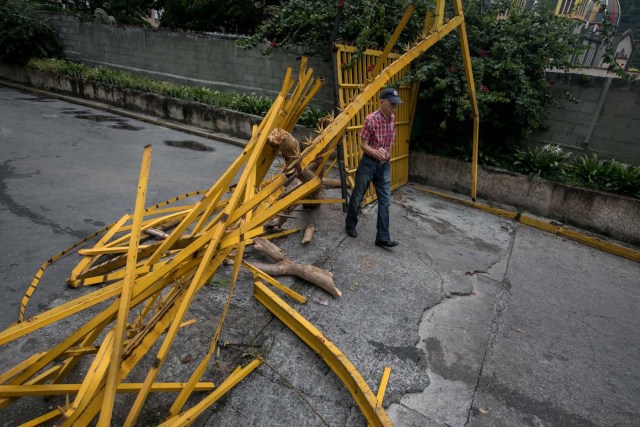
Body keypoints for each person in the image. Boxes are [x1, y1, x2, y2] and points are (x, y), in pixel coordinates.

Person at [345, 87, 402, 248]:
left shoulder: (392, 118)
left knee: (385, 201)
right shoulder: (371, 120)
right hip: (368, 164)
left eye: (396, 105)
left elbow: (390, 138)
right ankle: (350, 224)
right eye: (392, 104)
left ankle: (382, 237)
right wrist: (375, 152)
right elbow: (363, 145)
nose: (394, 108)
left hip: (384, 166)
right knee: (357, 196)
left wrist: (385, 153)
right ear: (382, 102)